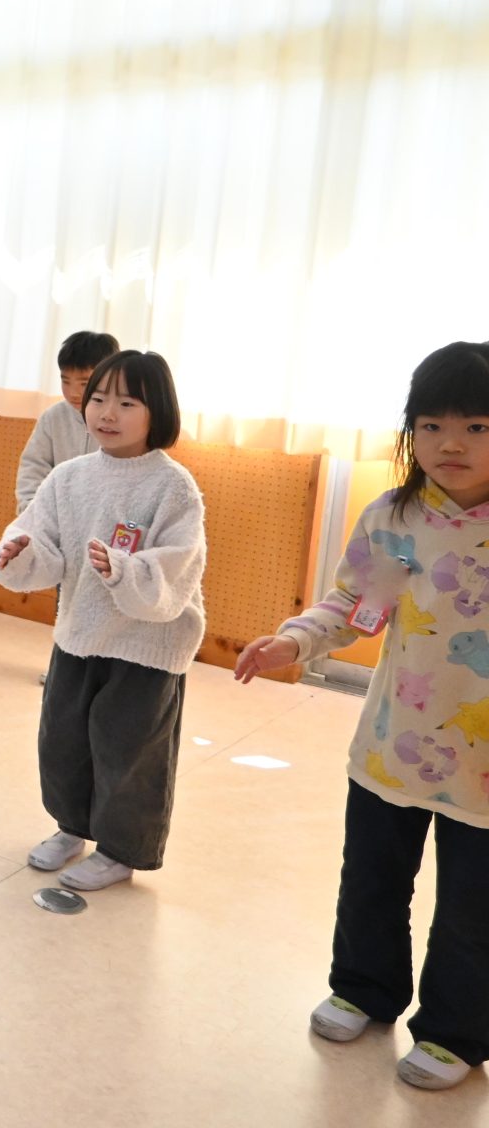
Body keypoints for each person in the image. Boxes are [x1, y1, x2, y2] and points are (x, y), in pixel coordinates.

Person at [234, 340, 489, 1093]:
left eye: (477, 426)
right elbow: (354, 603)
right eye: (432, 424)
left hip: (483, 770)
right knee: (373, 880)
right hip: (393, 745)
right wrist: (295, 640)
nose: (450, 443)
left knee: (473, 907)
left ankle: (456, 1032)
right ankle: (364, 989)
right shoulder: (394, 517)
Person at [0, 350, 206, 892]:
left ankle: (119, 851)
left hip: (146, 645)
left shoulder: (173, 486)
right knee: (63, 739)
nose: (108, 413)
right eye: (99, 399)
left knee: (128, 750)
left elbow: (179, 565)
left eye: (127, 403)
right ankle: (71, 827)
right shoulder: (68, 477)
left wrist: (125, 570)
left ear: (158, 412)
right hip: (80, 634)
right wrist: (20, 553)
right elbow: (40, 538)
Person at [16, 331, 121, 514]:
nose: (73, 392)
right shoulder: (53, 417)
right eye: (66, 381)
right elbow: (33, 469)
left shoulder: (122, 420)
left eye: (84, 383)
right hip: (52, 517)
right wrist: (33, 512)